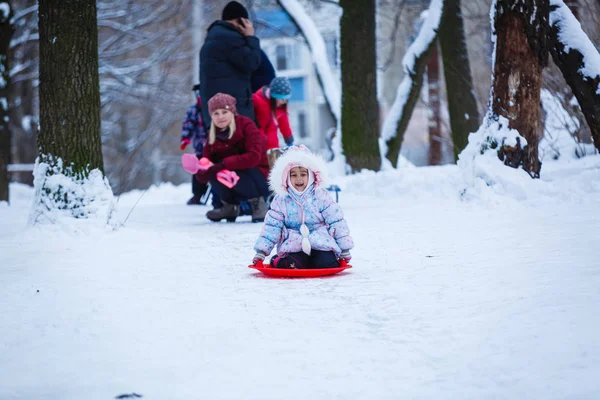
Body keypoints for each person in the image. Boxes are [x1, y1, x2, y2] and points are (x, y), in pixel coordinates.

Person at [252, 145, 354, 269]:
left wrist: (344, 248)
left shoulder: (321, 196)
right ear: (286, 177)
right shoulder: (281, 199)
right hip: (293, 244)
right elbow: (272, 226)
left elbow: (336, 221)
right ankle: (279, 261)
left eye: (303, 174)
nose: (298, 179)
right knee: (292, 264)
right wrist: (262, 251)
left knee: (327, 264)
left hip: (321, 241)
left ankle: (315, 261)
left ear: (311, 175)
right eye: (293, 175)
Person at [195, 93, 270, 223]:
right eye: (216, 113)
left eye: (224, 112)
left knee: (231, 170)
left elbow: (254, 157)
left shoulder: (246, 125)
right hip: (231, 179)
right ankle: (229, 206)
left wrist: (224, 164)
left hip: (257, 177)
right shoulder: (212, 135)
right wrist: (202, 170)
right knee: (215, 172)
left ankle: (258, 204)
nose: (220, 117)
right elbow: (205, 166)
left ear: (232, 111)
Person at [199, 1, 261, 129]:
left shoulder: (214, 37)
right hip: (233, 110)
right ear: (242, 21)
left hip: (218, 112)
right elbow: (252, 62)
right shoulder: (230, 38)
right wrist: (251, 37)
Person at [180, 84, 212, 206]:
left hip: (214, 146)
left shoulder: (213, 109)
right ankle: (198, 194)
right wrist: (185, 139)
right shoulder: (193, 111)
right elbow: (188, 125)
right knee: (198, 170)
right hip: (200, 147)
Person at [253, 77, 294, 168]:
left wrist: (289, 140)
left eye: (286, 99)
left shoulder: (280, 107)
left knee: (274, 172)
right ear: (273, 96)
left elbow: (284, 123)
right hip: (259, 145)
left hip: (273, 147)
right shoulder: (258, 101)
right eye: (282, 98)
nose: (284, 102)